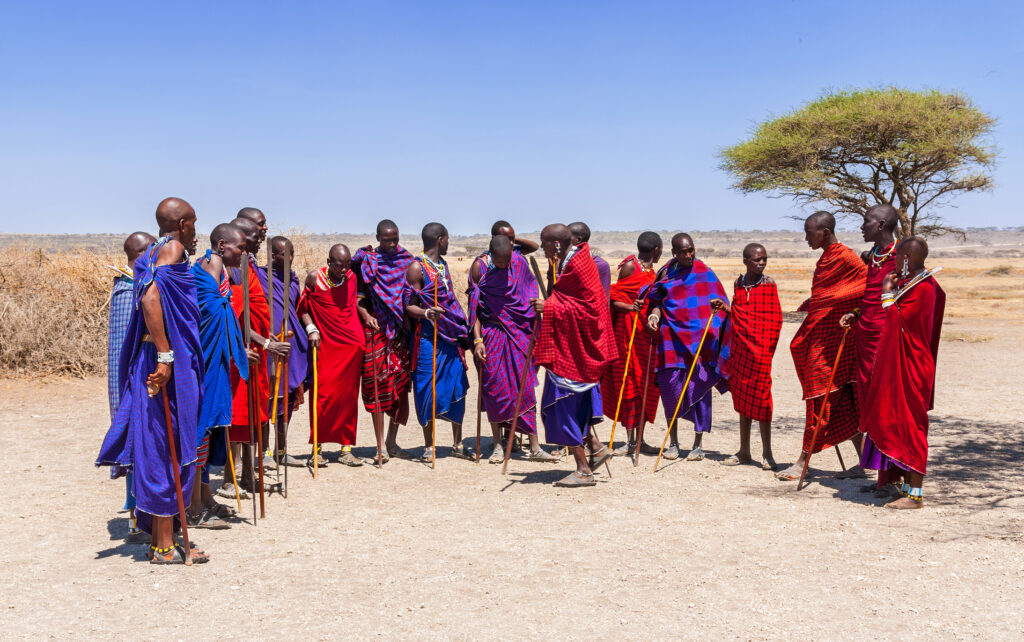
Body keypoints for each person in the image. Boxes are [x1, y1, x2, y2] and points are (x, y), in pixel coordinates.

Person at [96, 197, 209, 564]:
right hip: (166, 363)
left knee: (170, 439)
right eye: (192, 222)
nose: (195, 230)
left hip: (166, 358)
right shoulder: (172, 248)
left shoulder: (154, 251)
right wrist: (165, 355)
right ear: (180, 224)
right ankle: (162, 545)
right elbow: (151, 296)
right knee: (167, 442)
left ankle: (172, 537)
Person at [776, 212, 867, 482]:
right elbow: (824, 297)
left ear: (824, 232)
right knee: (843, 401)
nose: (805, 237)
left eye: (809, 232)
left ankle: (803, 461)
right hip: (823, 338)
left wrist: (853, 311)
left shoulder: (846, 257)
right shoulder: (826, 257)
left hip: (836, 343)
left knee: (820, 399)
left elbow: (868, 288)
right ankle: (864, 462)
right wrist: (815, 304)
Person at [859, 238, 944, 509]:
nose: (893, 262)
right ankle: (904, 488)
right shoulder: (915, 284)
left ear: (906, 258)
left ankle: (915, 496)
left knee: (912, 427)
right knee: (899, 422)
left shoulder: (924, 289)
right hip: (905, 362)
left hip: (913, 366)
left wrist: (886, 294)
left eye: (897, 258)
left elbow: (899, 322)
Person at [532, 224, 617, 487]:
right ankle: (596, 447)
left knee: (563, 406)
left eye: (544, 243)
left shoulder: (579, 265)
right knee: (572, 404)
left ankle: (583, 469)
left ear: (556, 244)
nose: (543, 247)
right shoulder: (571, 261)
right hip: (569, 347)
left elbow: (590, 309)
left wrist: (550, 305)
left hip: (576, 352)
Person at [468, 234, 557, 463]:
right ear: (491, 255)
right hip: (493, 336)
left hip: (520, 337)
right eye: (500, 261)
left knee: (526, 389)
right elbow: (475, 312)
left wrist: (538, 310)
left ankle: (535, 446)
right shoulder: (482, 270)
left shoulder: (519, 264)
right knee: (494, 390)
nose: (504, 265)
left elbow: (528, 297)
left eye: (507, 259)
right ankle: (498, 445)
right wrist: (478, 341)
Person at [188, 223, 252, 528]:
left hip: (215, 358)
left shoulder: (220, 269)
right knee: (203, 427)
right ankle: (194, 508)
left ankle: (206, 499)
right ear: (223, 245)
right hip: (208, 359)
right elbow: (213, 312)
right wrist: (235, 345)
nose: (245, 253)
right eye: (240, 248)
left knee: (211, 428)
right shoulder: (212, 262)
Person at [645, 233, 729, 461]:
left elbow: (724, 305)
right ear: (674, 253)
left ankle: (698, 444)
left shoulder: (705, 273)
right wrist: (653, 316)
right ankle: (673, 443)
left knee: (700, 389)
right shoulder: (666, 274)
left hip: (700, 345)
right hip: (671, 341)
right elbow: (656, 303)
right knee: (670, 390)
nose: (689, 255)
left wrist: (718, 309)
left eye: (691, 250)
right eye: (683, 251)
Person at [221, 216, 289, 496]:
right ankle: (229, 478)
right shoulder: (221, 269)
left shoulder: (246, 265)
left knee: (255, 415)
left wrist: (267, 340)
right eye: (255, 233)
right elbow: (233, 314)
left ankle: (249, 474)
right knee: (235, 416)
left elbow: (256, 307)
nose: (262, 236)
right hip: (237, 353)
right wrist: (263, 341)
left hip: (256, 353)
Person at [840, 204, 899, 491]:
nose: (862, 227)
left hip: (888, 342)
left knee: (886, 406)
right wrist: (856, 311)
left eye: (867, 222)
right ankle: (878, 474)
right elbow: (871, 295)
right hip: (865, 339)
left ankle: (891, 477)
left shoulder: (901, 256)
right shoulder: (874, 256)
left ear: (882, 224)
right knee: (868, 406)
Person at [404, 222, 472, 461]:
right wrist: (425, 313)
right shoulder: (416, 267)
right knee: (426, 388)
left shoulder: (442, 265)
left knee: (457, 384)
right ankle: (429, 446)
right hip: (427, 338)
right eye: (447, 238)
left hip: (449, 336)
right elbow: (408, 304)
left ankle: (457, 444)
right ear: (440, 238)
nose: (449, 242)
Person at [714, 243, 783, 470]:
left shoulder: (769, 285)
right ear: (745, 261)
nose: (762, 263)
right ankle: (744, 451)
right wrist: (725, 308)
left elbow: (775, 321)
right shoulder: (738, 284)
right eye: (757, 259)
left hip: (761, 353)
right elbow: (740, 315)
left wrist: (766, 349)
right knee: (743, 400)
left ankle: (767, 453)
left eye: (764, 258)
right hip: (741, 352)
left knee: (763, 400)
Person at [107, 231, 156, 541]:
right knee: (136, 447)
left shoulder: (141, 285)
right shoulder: (128, 289)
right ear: (142, 255)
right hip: (133, 385)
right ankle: (138, 520)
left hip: (144, 382)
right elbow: (120, 353)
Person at [299, 244, 367, 466]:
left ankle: (345, 449)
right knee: (323, 395)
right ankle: (316, 449)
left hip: (350, 347)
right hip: (325, 344)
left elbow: (352, 308)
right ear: (329, 262)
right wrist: (311, 329)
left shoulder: (351, 278)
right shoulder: (313, 278)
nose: (343, 269)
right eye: (339, 265)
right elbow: (303, 309)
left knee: (348, 397)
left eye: (347, 265)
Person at [352, 220, 415, 459]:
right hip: (375, 330)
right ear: (378, 237)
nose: (392, 243)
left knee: (399, 386)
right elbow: (359, 299)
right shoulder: (368, 263)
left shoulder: (405, 261)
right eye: (387, 239)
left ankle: (392, 441)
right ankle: (379, 446)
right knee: (375, 384)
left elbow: (412, 296)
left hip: (399, 332)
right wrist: (366, 314)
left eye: (396, 239)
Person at [599, 231, 663, 457]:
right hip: (626, 334)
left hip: (646, 335)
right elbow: (610, 297)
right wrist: (630, 308)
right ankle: (628, 440)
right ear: (656, 250)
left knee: (645, 384)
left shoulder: (653, 272)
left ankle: (641, 440)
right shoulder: (630, 267)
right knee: (628, 384)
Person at [259, 236, 307, 469]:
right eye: (281, 254)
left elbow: (298, 308)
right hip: (270, 346)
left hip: (291, 346)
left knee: (285, 403)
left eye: (291, 254)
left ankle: (282, 450)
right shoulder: (260, 276)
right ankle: (265, 452)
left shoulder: (294, 280)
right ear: (271, 255)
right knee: (268, 402)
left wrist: (310, 329)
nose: (288, 258)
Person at [568, 221, 610, 297]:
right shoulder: (563, 262)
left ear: (578, 240)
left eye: (567, 237)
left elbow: (604, 295)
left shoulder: (599, 264)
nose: (563, 240)